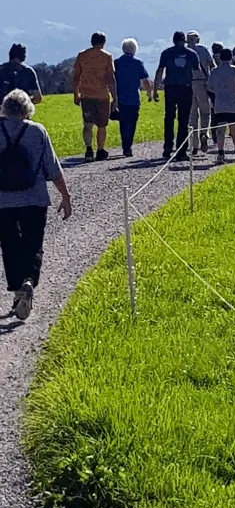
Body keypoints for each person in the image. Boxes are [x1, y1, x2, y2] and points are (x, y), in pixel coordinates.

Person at [0, 89, 71, 321]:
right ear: (27, 110)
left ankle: (17, 291)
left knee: (9, 245)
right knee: (33, 244)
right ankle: (29, 281)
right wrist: (65, 196)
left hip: (3, 201)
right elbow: (53, 168)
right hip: (34, 198)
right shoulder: (37, 131)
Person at [154, 31, 199, 161]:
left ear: (173, 41)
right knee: (183, 120)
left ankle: (168, 148)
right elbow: (197, 71)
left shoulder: (167, 53)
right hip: (186, 88)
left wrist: (155, 90)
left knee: (169, 118)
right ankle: (181, 150)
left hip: (170, 88)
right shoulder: (191, 54)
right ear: (184, 41)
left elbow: (160, 71)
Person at [73, 32, 117, 162]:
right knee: (102, 125)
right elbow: (110, 78)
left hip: (86, 95)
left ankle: (88, 149)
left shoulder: (82, 56)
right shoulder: (107, 57)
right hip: (102, 95)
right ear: (103, 42)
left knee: (87, 124)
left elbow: (76, 77)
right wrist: (114, 96)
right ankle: (100, 150)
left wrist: (76, 93)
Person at [114, 39, 152, 157]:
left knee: (123, 123)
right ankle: (128, 147)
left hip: (120, 98)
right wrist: (149, 93)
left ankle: (125, 146)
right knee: (132, 123)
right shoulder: (138, 63)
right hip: (134, 98)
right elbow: (145, 80)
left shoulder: (116, 63)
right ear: (134, 49)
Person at [207, 48, 235, 164]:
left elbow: (209, 86)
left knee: (220, 130)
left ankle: (220, 153)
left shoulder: (214, 71)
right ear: (231, 57)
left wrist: (217, 92)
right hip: (233, 104)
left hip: (220, 104)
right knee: (234, 130)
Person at [187, 31, 215, 155]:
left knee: (192, 115)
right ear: (197, 39)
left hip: (189, 85)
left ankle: (194, 145)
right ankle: (204, 133)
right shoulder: (203, 50)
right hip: (203, 83)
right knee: (205, 112)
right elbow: (212, 66)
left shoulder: (185, 52)